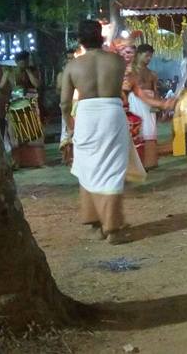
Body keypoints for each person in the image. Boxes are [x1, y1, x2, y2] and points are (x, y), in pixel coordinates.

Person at [61, 20, 133, 244]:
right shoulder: (117, 61)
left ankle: (94, 222)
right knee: (112, 169)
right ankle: (112, 229)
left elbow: (64, 103)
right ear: (101, 37)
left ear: (80, 40)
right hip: (112, 113)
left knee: (87, 167)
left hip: (87, 116)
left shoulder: (73, 66)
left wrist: (69, 125)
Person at [127, 44, 175, 169]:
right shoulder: (129, 71)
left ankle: (150, 162)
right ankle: (137, 164)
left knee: (150, 132)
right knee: (136, 131)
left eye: (150, 56)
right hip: (134, 102)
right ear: (138, 55)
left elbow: (156, 93)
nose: (149, 59)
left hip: (150, 104)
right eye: (146, 56)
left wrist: (160, 108)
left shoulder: (152, 74)